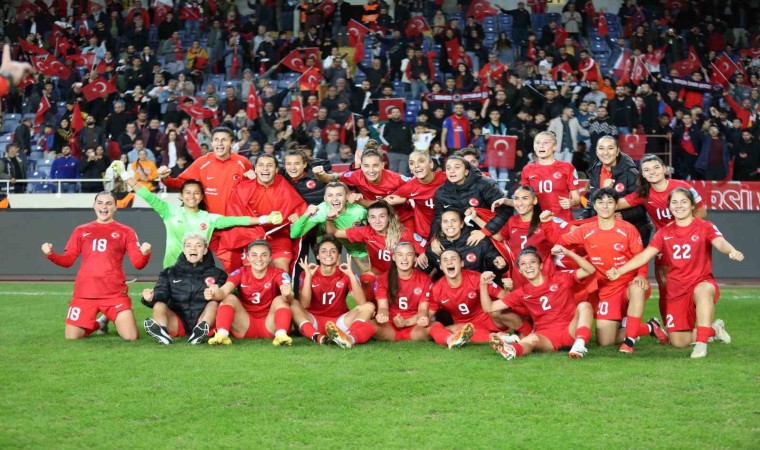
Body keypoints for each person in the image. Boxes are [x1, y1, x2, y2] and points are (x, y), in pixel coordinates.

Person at [607, 188, 740, 358]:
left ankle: (701, 344)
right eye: (674, 202)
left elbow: (720, 242)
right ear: (669, 207)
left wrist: (731, 251)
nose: (679, 206)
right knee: (679, 342)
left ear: (692, 205)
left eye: (683, 201)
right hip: (676, 290)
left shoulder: (705, 226)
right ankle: (715, 329)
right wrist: (620, 270)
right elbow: (645, 255)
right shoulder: (664, 232)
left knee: (704, 290)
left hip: (700, 282)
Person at [541, 188, 669, 353]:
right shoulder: (586, 230)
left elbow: (641, 257)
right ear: (594, 206)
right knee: (605, 341)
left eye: (610, 202)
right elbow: (557, 239)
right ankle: (650, 327)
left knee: (637, 288)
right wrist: (546, 223)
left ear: (616, 205)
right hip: (607, 288)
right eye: (600, 202)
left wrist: (642, 276)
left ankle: (629, 343)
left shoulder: (628, 229)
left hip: (629, 282)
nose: (605, 206)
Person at [112, 161, 275, 268]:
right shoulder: (169, 211)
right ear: (181, 196)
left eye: (196, 193)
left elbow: (236, 220)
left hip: (199, 272)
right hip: (172, 270)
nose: (192, 196)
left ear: (202, 197)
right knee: (163, 309)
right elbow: (146, 194)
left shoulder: (209, 218)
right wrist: (125, 175)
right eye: (187, 193)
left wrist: (263, 219)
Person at [40, 191, 152, 340]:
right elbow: (68, 261)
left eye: (109, 203)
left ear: (115, 207)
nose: (104, 207)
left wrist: (145, 253)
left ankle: (107, 317)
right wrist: (50, 254)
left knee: (131, 337)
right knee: (72, 337)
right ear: (94, 206)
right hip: (85, 294)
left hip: (114, 294)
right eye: (100, 203)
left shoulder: (126, 231)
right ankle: (100, 324)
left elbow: (138, 264)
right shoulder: (81, 230)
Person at [616, 154, 707, 320]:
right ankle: (669, 323)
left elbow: (702, 211)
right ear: (642, 174)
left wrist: (681, 228)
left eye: (656, 168)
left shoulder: (682, 186)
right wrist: (600, 194)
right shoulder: (643, 193)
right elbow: (617, 203)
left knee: (691, 284)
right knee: (664, 284)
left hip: (688, 241)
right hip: (663, 244)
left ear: (664, 169)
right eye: (647, 170)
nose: (652, 172)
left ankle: (698, 322)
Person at [158, 126, 253, 271]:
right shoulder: (202, 162)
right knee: (206, 269)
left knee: (234, 268)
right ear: (212, 142)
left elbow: (253, 191)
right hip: (210, 227)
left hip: (233, 226)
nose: (219, 144)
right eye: (216, 140)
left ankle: (233, 293)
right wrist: (165, 178)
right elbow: (179, 183)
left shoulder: (243, 162)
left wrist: (255, 180)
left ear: (232, 143)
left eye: (224, 140)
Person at [482, 246, 596, 360]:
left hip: (570, 330)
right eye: (523, 264)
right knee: (531, 339)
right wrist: (483, 284)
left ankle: (580, 345)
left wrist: (568, 252)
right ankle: (511, 350)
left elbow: (590, 270)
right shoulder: (521, 293)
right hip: (546, 337)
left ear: (541, 266)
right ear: (519, 271)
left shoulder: (561, 278)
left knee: (584, 305)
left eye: (532, 262)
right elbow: (489, 308)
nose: (528, 266)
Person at [220, 153, 306, 273]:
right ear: (255, 169)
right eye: (261, 165)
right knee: (251, 272)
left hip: (278, 237)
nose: (265, 168)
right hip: (250, 237)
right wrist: (256, 234)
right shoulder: (243, 187)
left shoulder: (284, 185)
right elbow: (235, 216)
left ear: (276, 170)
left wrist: (298, 216)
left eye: (269, 165)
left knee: (282, 271)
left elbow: (299, 208)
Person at [326, 201, 425, 300]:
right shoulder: (366, 232)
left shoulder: (404, 233)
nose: (377, 221)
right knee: (367, 278)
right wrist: (329, 219)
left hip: (401, 275)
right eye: (373, 217)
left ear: (389, 217)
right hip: (379, 275)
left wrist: (421, 256)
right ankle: (370, 307)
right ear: (368, 219)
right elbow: (334, 232)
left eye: (382, 216)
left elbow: (427, 251)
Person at [141, 233, 228, 345]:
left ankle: (199, 331)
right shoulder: (169, 272)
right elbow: (161, 292)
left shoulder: (218, 274)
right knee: (159, 305)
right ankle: (163, 332)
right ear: (184, 250)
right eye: (188, 245)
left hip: (204, 321)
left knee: (213, 304)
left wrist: (215, 293)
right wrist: (151, 297)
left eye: (198, 245)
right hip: (178, 323)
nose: (193, 248)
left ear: (205, 250)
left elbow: (225, 297)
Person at [428, 250, 524, 349]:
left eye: (453, 259)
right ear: (440, 266)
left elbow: (505, 296)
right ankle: (501, 338)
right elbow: (428, 315)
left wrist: (510, 289)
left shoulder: (475, 277)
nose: (449, 262)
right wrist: (422, 319)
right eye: (445, 260)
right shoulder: (436, 289)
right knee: (449, 330)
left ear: (461, 263)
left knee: (501, 311)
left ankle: (526, 331)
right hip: (467, 325)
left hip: (489, 318)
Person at [206, 240, 294, 346]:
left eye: (264, 255)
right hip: (244, 324)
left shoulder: (279, 273)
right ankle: (222, 335)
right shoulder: (240, 272)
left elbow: (289, 298)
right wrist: (214, 293)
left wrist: (288, 294)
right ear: (248, 258)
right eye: (254, 255)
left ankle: (281, 335)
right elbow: (223, 292)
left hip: (270, 326)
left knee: (280, 299)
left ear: (270, 257)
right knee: (229, 298)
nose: (259, 259)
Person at [292, 236, 376, 348]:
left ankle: (347, 337)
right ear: (317, 255)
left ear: (338, 255)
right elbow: (304, 304)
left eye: (333, 251)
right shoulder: (308, 273)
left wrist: (351, 275)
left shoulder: (345, 273)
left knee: (369, 306)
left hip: (339, 322)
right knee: (293, 304)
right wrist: (308, 278)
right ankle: (317, 336)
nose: (328, 254)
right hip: (314, 320)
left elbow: (361, 302)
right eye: (323, 251)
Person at [313, 143, 415, 232]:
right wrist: (319, 174)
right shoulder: (356, 176)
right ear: (361, 166)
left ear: (382, 165)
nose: (371, 170)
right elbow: (329, 178)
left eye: (375, 165)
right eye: (366, 166)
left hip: (402, 218)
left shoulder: (396, 178)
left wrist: (404, 197)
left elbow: (417, 185)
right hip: (377, 221)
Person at [290, 181, 372, 290]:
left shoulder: (359, 212)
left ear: (347, 196)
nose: (335, 199)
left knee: (368, 274)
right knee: (332, 272)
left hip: (353, 240)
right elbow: (294, 234)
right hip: (328, 239)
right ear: (324, 198)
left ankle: (370, 300)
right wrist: (306, 214)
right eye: (330, 195)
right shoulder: (321, 210)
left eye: (339, 195)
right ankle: (332, 299)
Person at [493, 131, 580, 222]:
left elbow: (577, 199)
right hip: (537, 222)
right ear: (534, 147)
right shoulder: (527, 169)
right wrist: (506, 201)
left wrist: (571, 202)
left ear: (555, 147)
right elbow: (524, 200)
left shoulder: (567, 167)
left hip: (562, 220)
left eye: (546, 143)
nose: (541, 145)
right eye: (537, 142)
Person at [580, 136, 653, 244]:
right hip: (606, 230)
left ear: (617, 151)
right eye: (601, 148)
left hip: (634, 231)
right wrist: (582, 218)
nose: (605, 152)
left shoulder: (631, 173)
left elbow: (642, 207)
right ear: (596, 151)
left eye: (610, 148)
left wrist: (623, 216)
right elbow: (593, 201)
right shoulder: (595, 171)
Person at [431, 156, 511, 250]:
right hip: (462, 237)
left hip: (491, 234)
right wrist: (434, 238)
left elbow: (505, 210)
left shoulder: (485, 184)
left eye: (457, 167)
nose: (451, 171)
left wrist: (484, 232)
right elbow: (438, 217)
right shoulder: (441, 192)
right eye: (448, 168)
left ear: (466, 171)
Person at [373, 242, 433, 342]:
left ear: (415, 258)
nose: (404, 259)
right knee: (368, 325)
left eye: (409, 254)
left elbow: (423, 308)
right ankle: (348, 338)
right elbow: (383, 307)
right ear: (394, 257)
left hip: (414, 325)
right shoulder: (382, 279)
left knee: (436, 326)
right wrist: (382, 315)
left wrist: (422, 318)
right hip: (390, 325)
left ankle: (451, 340)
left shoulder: (424, 279)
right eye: (400, 254)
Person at [422, 210, 506, 277]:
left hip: (478, 289)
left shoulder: (478, 240)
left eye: (454, 221)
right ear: (440, 225)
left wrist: (498, 264)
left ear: (461, 224)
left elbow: (496, 263)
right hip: (450, 293)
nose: (449, 225)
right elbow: (421, 274)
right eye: (445, 222)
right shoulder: (434, 247)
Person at [385, 151, 447, 241]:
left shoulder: (446, 178)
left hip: (449, 229)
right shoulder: (409, 187)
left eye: (421, 161)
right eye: (412, 163)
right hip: (426, 234)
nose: (416, 165)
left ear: (431, 164)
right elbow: (382, 202)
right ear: (410, 169)